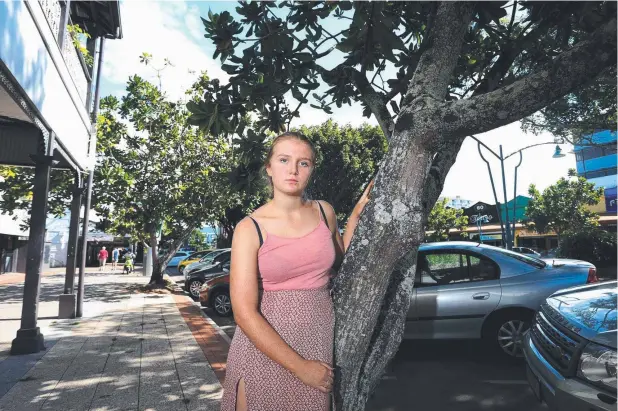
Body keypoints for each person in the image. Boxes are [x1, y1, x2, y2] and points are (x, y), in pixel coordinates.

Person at [221, 132, 373, 411]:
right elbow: (243, 312)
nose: (293, 169)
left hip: (316, 340)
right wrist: (301, 367)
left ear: (311, 170)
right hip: (263, 348)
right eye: (283, 160)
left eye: (304, 163)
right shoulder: (249, 228)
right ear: (269, 167)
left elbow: (340, 260)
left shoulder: (324, 211)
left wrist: (354, 217)